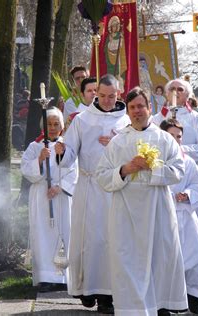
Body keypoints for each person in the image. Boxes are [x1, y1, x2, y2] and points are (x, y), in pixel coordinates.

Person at [96, 87, 188, 315]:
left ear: (150, 108)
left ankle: (159, 306)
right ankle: (132, 310)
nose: (137, 111)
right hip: (125, 213)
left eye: (141, 106)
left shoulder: (164, 139)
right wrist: (125, 169)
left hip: (157, 211)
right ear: (127, 111)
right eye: (133, 107)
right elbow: (102, 176)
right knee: (127, 263)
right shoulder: (117, 143)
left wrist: (152, 167)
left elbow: (178, 171)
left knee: (159, 259)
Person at [54, 74, 130, 314]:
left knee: (113, 241)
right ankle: (86, 289)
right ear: (96, 93)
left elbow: (136, 155)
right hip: (90, 187)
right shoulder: (83, 120)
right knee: (91, 241)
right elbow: (69, 156)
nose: (107, 101)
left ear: (119, 94)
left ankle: (108, 295)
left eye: (112, 96)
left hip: (117, 189)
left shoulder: (127, 120)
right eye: (103, 96)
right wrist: (60, 151)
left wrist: (118, 144)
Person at [20, 107, 77, 292]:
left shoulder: (67, 146)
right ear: (43, 126)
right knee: (42, 235)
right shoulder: (35, 146)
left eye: (56, 124)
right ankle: (45, 276)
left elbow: (74, 171)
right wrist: (39, 160)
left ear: (62, 127)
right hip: (41, 198)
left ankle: (63, 276)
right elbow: (26, 170)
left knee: (64, 233)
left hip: (62, 198)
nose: (52, 128)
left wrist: (60, 187)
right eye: (49, 124)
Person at [160, 118, 198, 314]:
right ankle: (163, 302)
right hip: (163, 217)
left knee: (193, 259)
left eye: (179, 136)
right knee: (164, 261)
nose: (175, 140)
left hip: (186, 216)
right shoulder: (155, 161)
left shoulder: (187, 162)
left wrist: (187, 195)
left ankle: (193, 299)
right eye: (171, 136)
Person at [152, 79, 198, 165]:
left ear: (187, 94)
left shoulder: (196, 118)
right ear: (167, 94)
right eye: (172, 89)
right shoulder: (157, 119)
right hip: (163, 170)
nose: (176, 92)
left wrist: (179, 150)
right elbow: (152, 145)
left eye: (180, 89)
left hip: (188, 169)